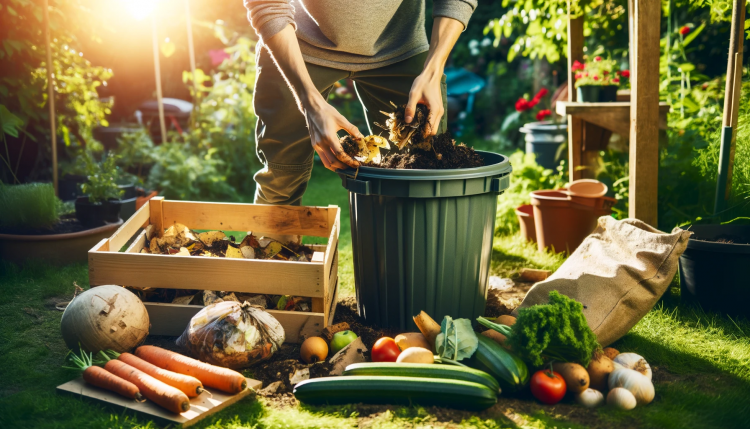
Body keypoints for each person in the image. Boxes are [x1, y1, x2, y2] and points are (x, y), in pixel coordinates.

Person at [244, 0, 477, 206]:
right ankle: (276, 251)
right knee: (282, 176)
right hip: (297, 47)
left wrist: (432, 71)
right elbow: (267, 4)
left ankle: (403, 255)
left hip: (400, 49)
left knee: (423, 169)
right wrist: (310, 103)